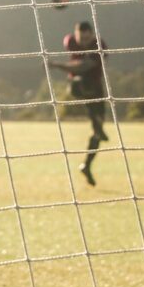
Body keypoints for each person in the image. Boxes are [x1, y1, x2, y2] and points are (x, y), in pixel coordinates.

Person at [48, 22, 109, 187]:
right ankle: (97, 126)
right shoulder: (70, 41)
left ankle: (87, 165)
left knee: (97, 133)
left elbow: (84, 66)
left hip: (95, 88)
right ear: (76, 35)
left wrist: (57, 65)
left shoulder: (98, 45)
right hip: (78, 86)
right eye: (81, 38)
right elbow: (78, 71)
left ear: (92, 36)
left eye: (87, 39)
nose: (83, 42)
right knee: (81, 82)